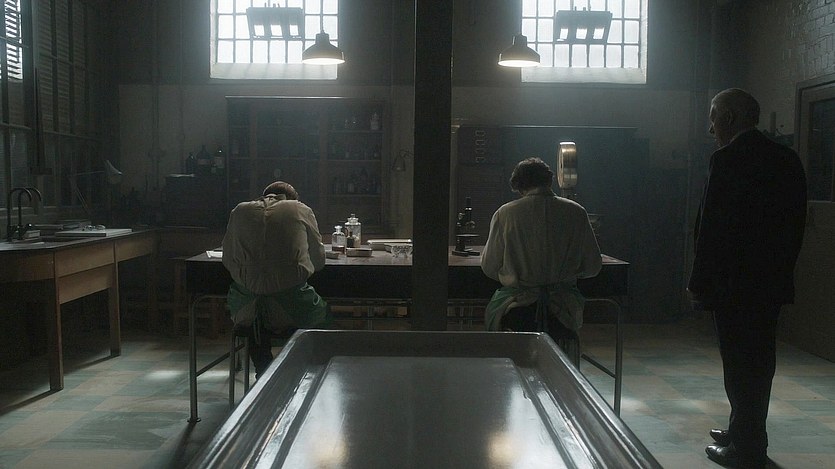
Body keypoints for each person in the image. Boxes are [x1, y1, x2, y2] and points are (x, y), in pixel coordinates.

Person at [689, 88, 807, 468]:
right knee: (758, 362)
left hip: (732, 285)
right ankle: (742, 428)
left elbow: (711, 229)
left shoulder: (727, 159)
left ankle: (747, 448)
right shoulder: (787, 158)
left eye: (713, 118)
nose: (711, 128)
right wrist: (781, 272)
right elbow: (796, 226)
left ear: (728, 118)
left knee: (740, 366)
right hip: (769, 283)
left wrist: (698, 282)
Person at [481, 157, 602, 356]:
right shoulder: (576, 212)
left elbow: (489, 266)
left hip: (518, 308)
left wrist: (517, 275)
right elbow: (593, 266)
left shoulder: (505, 214)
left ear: (519, 186)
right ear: (549, 180)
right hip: (562, 310)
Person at [222, 181, 332, 378]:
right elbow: (318, 261)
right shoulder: (300, 209)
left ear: (264, 195)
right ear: (293, 199)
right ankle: (304, 370)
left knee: (255, 319)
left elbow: (227, 258)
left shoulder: (239, 211)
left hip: (245, 308)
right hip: (293, 307)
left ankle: (263, 370)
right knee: (322, 315)